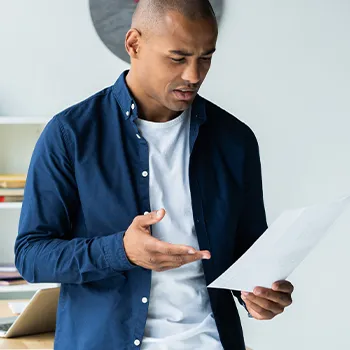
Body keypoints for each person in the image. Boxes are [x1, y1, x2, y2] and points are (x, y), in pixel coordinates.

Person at [15, 0, 294, 349]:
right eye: (178, 58)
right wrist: (121, 251)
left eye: (205, 57)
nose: (194, 75)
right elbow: (31, 255)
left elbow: (248, 256)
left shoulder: (235, 140)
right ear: (134, 44)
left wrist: (259, 295)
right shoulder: (71, 134)